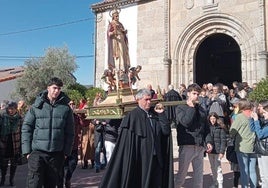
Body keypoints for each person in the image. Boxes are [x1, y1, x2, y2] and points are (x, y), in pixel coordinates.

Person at [99, 88, 174, 188]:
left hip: (156, 159)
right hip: (141, 160)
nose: (149, 102)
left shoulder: (155, 114)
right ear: (138, 99)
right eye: (146, 99)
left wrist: (161, 115)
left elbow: (166, 131)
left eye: (150, 99)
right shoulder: (132, 116)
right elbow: (126, 142)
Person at [21, 77, 75, 188]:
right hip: (37, 153)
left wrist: (66, 152)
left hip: (56, 154)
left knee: (51, 184)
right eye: (54, 88)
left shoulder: (65, 108)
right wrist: (27, 152)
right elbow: (26, 128)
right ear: (48, 88)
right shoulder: (36, 106)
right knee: (34, 184)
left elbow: (70, 132)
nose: (56, 91)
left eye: (59, 89)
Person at [175, 83, 213, 188]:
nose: (196, 96)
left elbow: (206, 128)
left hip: (200, 146)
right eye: (194, 93)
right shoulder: (181, 108)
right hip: (187, 145)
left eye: (198, 94)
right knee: (181, 176)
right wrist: (191, 108)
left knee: (199, 177)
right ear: (188, 94)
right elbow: (185, 122)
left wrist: (208, 141)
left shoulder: (202, 110)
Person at [229, 99, 257, 188]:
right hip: (253, 146)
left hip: (242, 147)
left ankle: (245, 186)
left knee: (244, 170)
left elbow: (232, 132)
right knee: (252, 170)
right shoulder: (253, 115)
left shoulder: (240, 117)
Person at [58, 100, 82, 188]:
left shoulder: (76, 116)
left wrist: (83, 116)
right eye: (70, 104)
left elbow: (83, 124)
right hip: (62, 147)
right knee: (60, 168)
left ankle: (68, 178)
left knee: (73, 164)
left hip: (73, 146)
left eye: (73, 104)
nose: (72, 105)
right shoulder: (62, 116)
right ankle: (60, 184)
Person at [0, 102, 22, 186]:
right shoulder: (2, 118)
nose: (11, 110)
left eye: (12, 109)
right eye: (9, 109)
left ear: (16, 109)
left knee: (14, 164)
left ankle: (11, 179)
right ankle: (3, 178)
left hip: (15, 145)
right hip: (4, 145)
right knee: (3, 165)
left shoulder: (19, 119)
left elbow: (22, 132)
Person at [250, 100, 268, 188]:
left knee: (266, 175)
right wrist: (252, 118)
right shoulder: (262, 120)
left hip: (266, 151)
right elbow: (253, 129)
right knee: (262, 175)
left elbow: (260, 134)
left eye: (260, 106)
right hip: (260, 149)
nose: (258, 108)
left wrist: (256, 120)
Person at [107, 8, 130, 75]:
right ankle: (118, 68)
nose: (117, 17)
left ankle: (124, 68)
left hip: (122, 39)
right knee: (118, 54)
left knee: (123, 54)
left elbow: (122, 31)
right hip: (116, 40)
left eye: (118, 16)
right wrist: (113, 32)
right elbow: (109, 33)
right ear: (113, 16)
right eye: (116, 16)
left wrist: (124, 32)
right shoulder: (111, 23)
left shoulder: (120, 24)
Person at [207, 112, 227, 188]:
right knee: (212, 167)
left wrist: (222, 152)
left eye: (214, 118)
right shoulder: (208, 128)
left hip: (218, 151)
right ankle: (215, 182)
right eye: (211, 118)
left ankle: (220, 184)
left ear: (216, 119)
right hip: (210, 151)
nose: (212, 120)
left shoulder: (220, 128)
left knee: (218, 168)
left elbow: (223, 140)